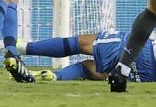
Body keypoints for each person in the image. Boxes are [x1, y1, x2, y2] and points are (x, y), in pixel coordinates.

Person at [17, 31, 155, 82]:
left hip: (142, 49)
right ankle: (55, 76)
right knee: (94, 70)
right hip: (148, 75)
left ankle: (21, 48)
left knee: (79, 44)